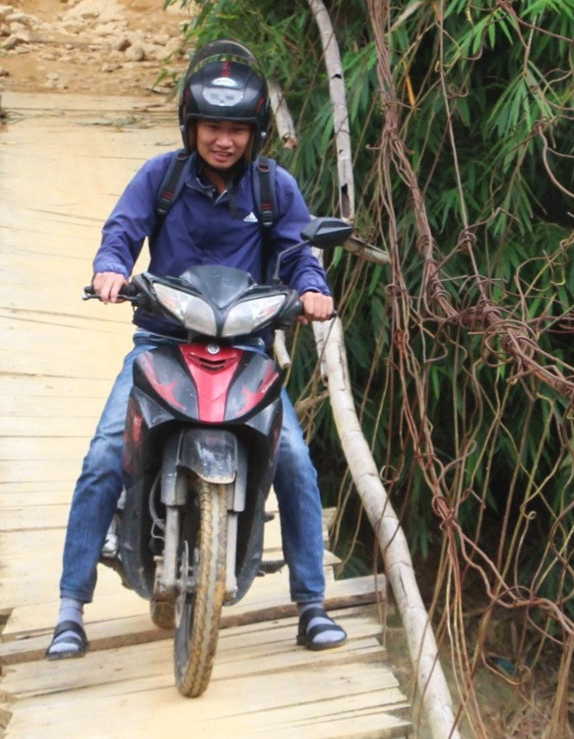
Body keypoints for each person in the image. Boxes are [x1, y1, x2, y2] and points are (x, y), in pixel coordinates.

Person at [46, 39, 348, 660]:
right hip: (163, 343)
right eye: (212, 125)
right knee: (106, 454)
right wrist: (110, 269)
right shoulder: (162, 176)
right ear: (191, 124)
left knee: (292, 458)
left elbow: (297, 252)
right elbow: (123, 230)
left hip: (248, 352)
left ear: (255, 133)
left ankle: (312, 604)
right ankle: (70, 609)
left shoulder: (273, 187)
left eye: (237, 129)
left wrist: (312, 290)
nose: (224, 140)